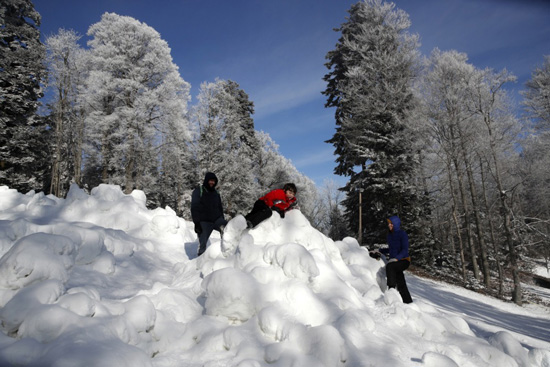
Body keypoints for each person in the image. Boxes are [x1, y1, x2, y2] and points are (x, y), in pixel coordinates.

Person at [370, 215, 413, 304]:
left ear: (396, 224)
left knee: (390, 266)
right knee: (400, 282)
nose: (389, 225)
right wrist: (379, 251)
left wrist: (397, 259)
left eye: (391, 224)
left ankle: (391, 291)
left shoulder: (402, 234)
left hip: (404, 260)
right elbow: (391, 249)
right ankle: (408, 302)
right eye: (389, 224)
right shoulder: (390, 235)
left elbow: (405, 250)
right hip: (395, 261)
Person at [191, 172, 227, 256]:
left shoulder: (216, 193)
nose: (212, 183)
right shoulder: (198, 191)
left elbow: (219, 207)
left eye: (214, 181)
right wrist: (197, 223)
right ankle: (199, 263)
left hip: (217, 220)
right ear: (206, 180)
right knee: (202, 244)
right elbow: (194, 207)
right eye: (210, 180)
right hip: (204, 221)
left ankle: (226, 253)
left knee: (228, 230)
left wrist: (222, 219)